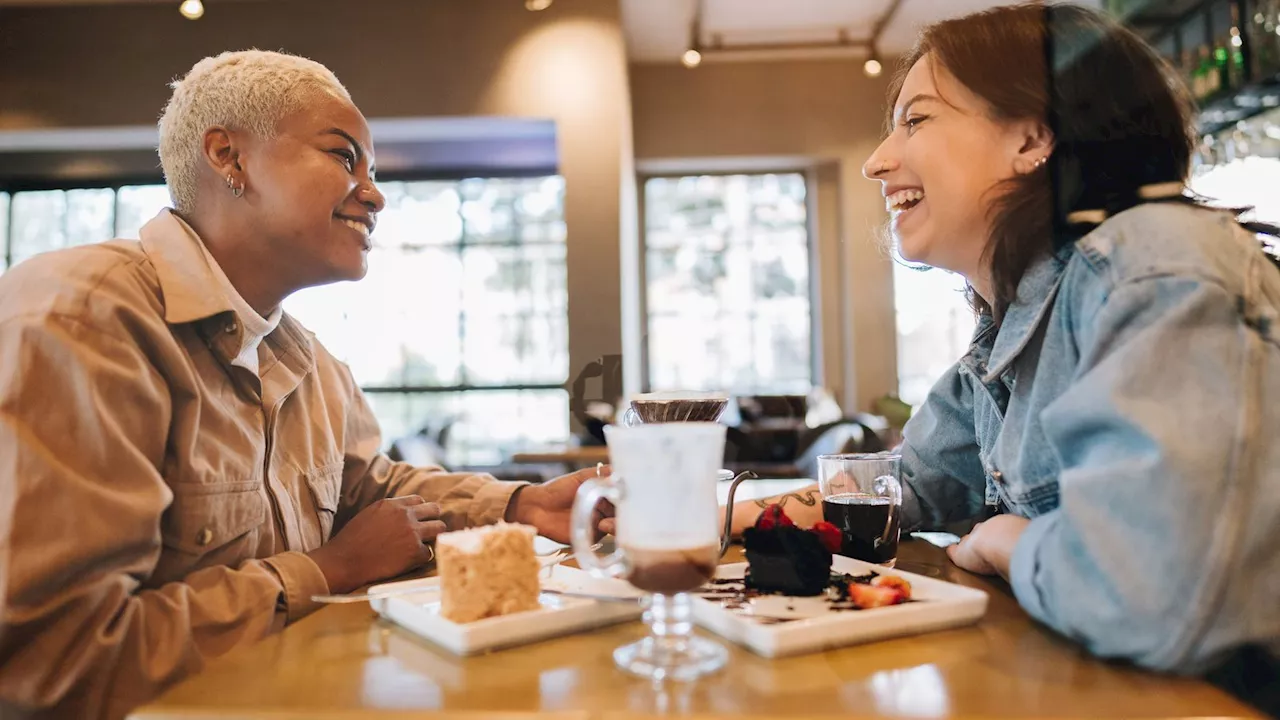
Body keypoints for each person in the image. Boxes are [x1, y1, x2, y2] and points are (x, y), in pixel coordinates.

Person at [0, 50, 612, 719]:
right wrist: (328, 569)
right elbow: (57, 661)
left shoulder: (310, 362)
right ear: (230, 160)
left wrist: (524, 507)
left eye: (372, 171)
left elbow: (370, 488)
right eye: (344, 156)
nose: (375, 194)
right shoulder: (85, 318)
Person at [722, 3, 1279, 712]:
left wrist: (1007, 542)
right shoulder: (1012, 327)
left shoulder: (1155, 266)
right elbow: (895, 488)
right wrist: (697, 517)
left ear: (1033, 137)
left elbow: (1146, 597)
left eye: (916, 119)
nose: (875, 160)